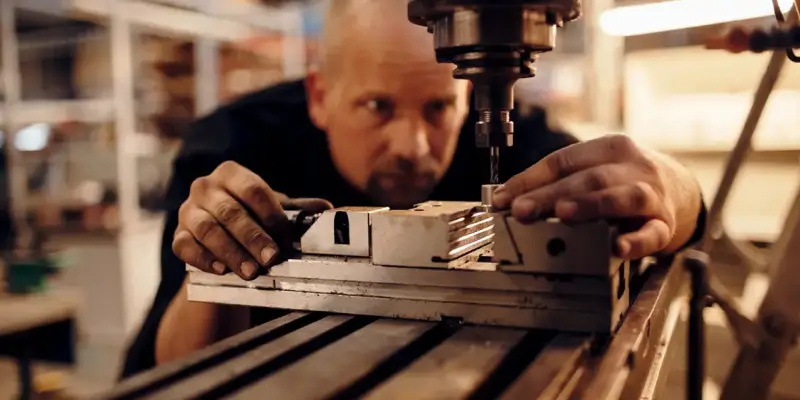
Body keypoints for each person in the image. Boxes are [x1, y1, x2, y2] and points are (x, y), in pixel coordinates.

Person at [120, 0, 705, 378]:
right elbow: (175, 364)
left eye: (437, 107)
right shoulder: (234, 145)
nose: (412, 145)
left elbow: (660, 207)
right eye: (377, 106)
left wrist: (677, 192)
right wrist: (218, 262)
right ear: (321, 97)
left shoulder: (499, 124)